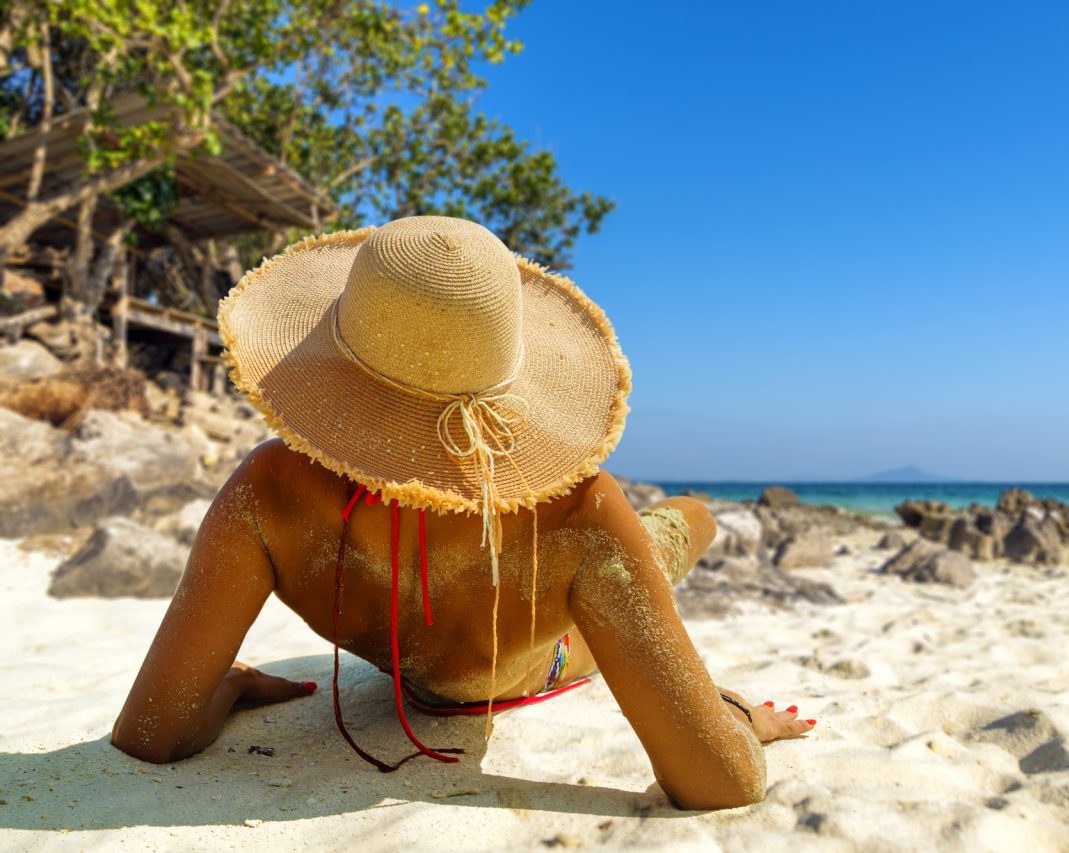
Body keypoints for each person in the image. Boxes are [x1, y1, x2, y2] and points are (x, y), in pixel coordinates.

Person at [110, 216, 815, 810]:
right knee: (678, 522)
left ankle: (696, 516)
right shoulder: (581, 511)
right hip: (548, 651)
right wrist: (735, 721)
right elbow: (723, 782)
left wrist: (226, 680)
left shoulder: (268, 491)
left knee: (682, 526)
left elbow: (152, 731)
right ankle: (698, 512)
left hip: (491, 640)